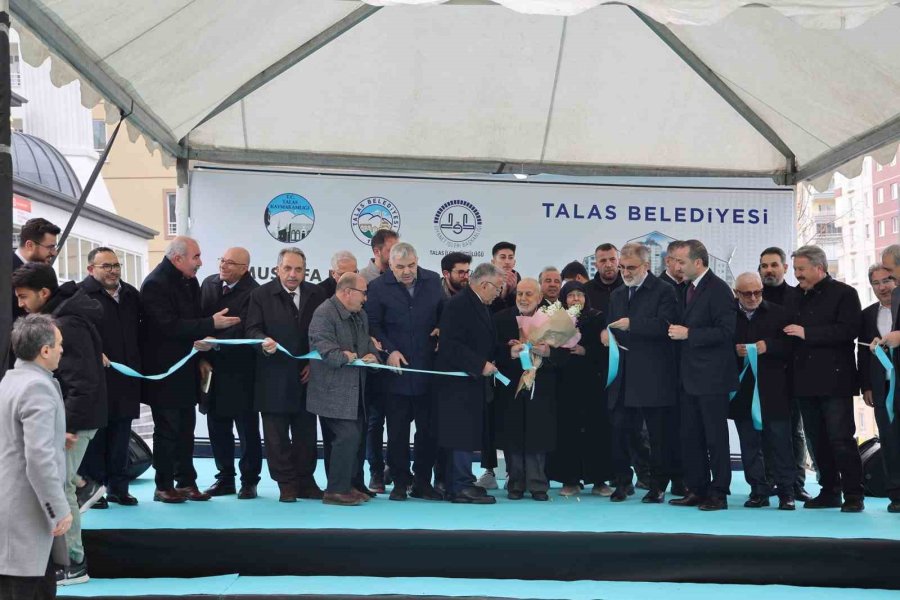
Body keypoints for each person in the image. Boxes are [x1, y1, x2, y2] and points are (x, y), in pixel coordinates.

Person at [12, 263, 106, 584]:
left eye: (24, 297)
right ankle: (86, 486)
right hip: (72, 417)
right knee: (62, 482)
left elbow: (82, 381)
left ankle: (73, 562)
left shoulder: (65, 323)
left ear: (44, 293)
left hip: (74, 420)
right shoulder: (66, 316)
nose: (20, 304)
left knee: (60, 485)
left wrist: (65, 427)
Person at [140, 236, 238, 504]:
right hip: (165, 371)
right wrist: (211, 325)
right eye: (196, 257)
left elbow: (190, 321)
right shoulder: (154, 284)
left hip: (187, 367)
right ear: (177, 258)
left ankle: (186, 481)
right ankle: (163, 485)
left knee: (186, 428)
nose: (200, 263)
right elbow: (167, 326)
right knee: (167, 429)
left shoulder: (189, 281)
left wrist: (201, 352)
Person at [783, 245, 864, 512]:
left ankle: (854, 495)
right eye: (795, 269)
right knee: (816, 439)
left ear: (819, 268)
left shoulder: (845, 293)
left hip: (834, 380)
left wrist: (808, 333)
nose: (797, 275)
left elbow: (848, 331)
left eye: (802, 269)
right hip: (804, 380)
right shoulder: (793, 296)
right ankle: (829, 490)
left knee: (841, 438)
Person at [245, 248, 326, 502]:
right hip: (273, 377)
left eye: (298, 269)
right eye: (288, 268)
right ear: (277, 269)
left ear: (305, 270)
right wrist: (262, 341)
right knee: (276, 437)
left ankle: (306, 481)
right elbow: (251, 329)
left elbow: (323, 333)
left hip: (306, 378)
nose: (293, 274)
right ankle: (286, 484)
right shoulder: (260, 295)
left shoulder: (317, 293)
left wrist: (314, 362)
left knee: (306, 435)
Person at [0, 315, 72, 598]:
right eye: (59, 344)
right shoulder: (37, 387)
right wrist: (58, 509)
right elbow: (39, 459)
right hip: (28, 512)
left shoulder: (11, 381)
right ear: (44, 350)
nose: (62, 350)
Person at [365, 243, 443, 501]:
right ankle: (399, 481)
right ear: (390, 266)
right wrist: (389, 350)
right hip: (395, 374)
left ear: (417, 260)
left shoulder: (433, 281)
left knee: (428, 432)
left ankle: (422, 481)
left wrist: (443, 328)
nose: (408, 271)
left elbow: (446, 313)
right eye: (400, 267)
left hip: (427, 371)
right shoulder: (376, 288)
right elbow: (373, 325)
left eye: (411, 265)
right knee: (397, 432)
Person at [603, 243, 679, 503]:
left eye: (631, 267)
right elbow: (612, 325)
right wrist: (606, 334)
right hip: (623, 375)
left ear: (646, 266)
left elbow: (666, 326)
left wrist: (633, 325)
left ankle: (657, 485)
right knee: (620, 431)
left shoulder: (664, 291)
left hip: (653, 375)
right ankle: (623, 483)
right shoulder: (617, 295)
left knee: (658, 435)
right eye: (622, 267)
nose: (625, 272)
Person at [667, 239, 737, 511]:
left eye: (682, 262)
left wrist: (690, 334)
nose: (677, 266)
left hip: (712, 378)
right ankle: (696, 488)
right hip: (689, 377)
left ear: (698, 262)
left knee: (715, 438)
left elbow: (727, 332)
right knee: (690, 436)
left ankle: (718, 493)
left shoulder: (718, 290)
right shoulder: (687, 288)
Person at [308, 273, 381, 506]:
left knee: (354, 439)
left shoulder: (360, 315)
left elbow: (367, 343)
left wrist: (373, 356)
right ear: (347, 292)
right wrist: (344, 357)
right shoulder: (323, 313)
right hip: (331, 391)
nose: (366, 299)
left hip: (355, 390)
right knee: (347, 436)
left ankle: (349, 485)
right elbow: (324, 348)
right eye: (363, 293)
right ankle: (336, 490)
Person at [77, 247, 142, 507]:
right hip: (96, 378)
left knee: (121, 434)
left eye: (116, 265)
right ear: (91, 269)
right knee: (97, 436)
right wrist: (94, 352)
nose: (113, 270)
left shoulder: (130, 295)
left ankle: (119, 487)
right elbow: (73, 334)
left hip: (126, 377)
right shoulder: (81, 296)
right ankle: (97, 490)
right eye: (106, 266)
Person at [435, 263, 503, 504]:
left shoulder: (480, 305)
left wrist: (508, 350)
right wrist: (479, 365)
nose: (499, 292)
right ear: (484, 285)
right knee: (459, 434)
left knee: (466, 433)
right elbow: (450, 346)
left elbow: (483, 342)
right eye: (497, 287)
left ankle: (461, 482)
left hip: (471, 384)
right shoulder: (458, 305)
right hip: (457, 385)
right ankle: (459, 485)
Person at [493, 279, 567, 500]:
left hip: (542, 387)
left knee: (538, 435)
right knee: (512, 435)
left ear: (538, 296)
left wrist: (549, 353)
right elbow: (491, 349)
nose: (523, 299)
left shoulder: (555, 319)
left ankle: (538, 484)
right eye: (519, 294)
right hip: (510, 387)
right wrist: (509, 352)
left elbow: (565, 356)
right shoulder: (500, 318)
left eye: (528, 294)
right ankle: (515, 483)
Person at [198, 248, 261, 499]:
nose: (224, 266)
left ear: (245, 268)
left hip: (241, 369)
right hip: (211, 368)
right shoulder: (208, 284)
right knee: (216, 425)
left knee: (247, 427)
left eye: (231, 263)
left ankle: (249, 480)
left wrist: (216, 340)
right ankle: (225, 478)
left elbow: (248, 328)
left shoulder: (256, 292)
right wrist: (203, 356)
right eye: (222, 260)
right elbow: (200, 320)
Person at [730, 272, 796, 510]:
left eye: (757, 292)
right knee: (749, 445)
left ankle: (787, 492)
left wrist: (769, 346)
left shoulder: (780, 313)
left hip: (775, 389)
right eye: (746, 293)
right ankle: (758, 490)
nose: (753, 297)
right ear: (736, 293)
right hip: (742, 391)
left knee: (781, 443)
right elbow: (716, 345)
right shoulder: (727, 315)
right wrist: (733, 351)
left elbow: (793, 346)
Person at [549, 281, 612, 497]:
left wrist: (587, 350)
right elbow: (550, 350)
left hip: (593, 386)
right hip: (566, 386)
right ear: (564, 299)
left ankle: (599, 480)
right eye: (571, 295)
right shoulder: (556, 320)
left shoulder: (598, 317)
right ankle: (570, 480)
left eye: (580, 295)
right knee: (568, 432)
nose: (576, 299)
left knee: (597, 432)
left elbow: (607, 351)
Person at [758, 246, 810, 502]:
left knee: (795, 431)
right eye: (764, 266)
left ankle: (797, 484)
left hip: (795, 374)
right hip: (764, 377)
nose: (769, 270)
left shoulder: (798, 296)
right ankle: (770, 481)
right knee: (767, 431)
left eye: (774, 265)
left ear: (785, 268)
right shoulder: (753, 298)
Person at [859, 263, 900, 513]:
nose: (883, 287)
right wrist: (866, 385)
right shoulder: (866, 315)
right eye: (876, 283)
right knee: (888, 439)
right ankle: (895, 494)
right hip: (881, 386)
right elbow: (862, 352)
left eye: (888, 280)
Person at [360, 230, 399, 492]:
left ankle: (395, 468)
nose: (396, 255)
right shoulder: (362, 280)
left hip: (399, 363)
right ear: (377, 252)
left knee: (399, 420)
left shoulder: (404, 279)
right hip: (373, 365)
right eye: (391, 250)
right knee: (374, 421)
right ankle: (375, 471)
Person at [8, 218, 60, 369]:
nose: (54, 252)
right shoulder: (5, 269)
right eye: (50, 247)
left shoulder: (45, 271)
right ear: (30, 245)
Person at [584, 243, 623, 315]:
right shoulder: (585, 291)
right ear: (596, 265)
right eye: (603, 261)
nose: (608, 265)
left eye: (612, 259)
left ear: (619, 262)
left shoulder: (632, 287)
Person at [489, 241, 519, 314]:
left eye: (510, 258)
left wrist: (512, 292)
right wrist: (504, 295)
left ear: (514, 262)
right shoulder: (485, 280)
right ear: (493, 262)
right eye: (503, 257)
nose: (507, 261)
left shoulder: (517, 277)